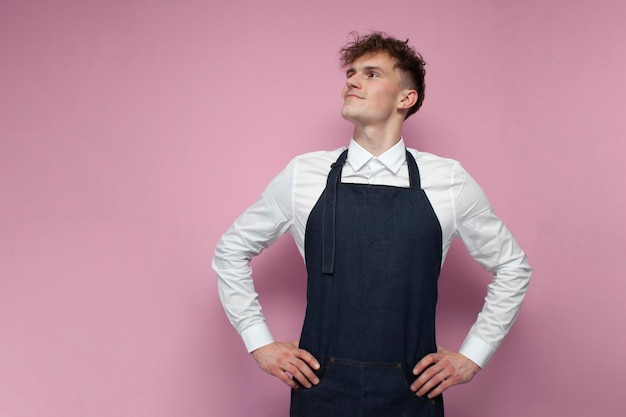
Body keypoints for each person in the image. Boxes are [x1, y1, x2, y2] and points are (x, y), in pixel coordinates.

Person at [213, 31, 531, 417]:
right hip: (320, 389)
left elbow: (513, 267)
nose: (352, 80)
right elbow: (231, 250)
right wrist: (258, 342)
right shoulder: (303, 175)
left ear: (405, 98)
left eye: (372, 74)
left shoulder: (448, 180)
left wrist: (472, 356)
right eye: (351, 73)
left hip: (412, 394)